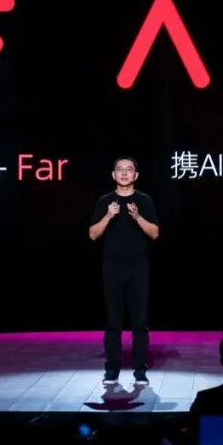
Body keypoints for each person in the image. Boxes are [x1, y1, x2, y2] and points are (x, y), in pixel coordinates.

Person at [88, 157, 160, 385]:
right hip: (112, 267)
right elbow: (93, 234)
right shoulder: (105, 201)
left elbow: (154, 233)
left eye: (129, 169)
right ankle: (112, 370)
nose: (125, 173)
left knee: (139, 322)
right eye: (120, 169)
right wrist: (108, 215)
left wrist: (137, 217)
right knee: (113, 322)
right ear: (113, 175)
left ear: (136, 175)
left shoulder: (144, 200)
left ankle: (140, 370)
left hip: (138, 267)